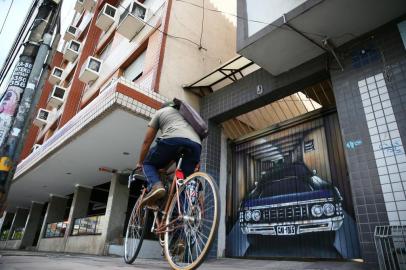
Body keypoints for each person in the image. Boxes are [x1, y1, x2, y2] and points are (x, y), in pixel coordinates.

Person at [134, 100, 202, 206]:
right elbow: (174, 154)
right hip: (196, 145)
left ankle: (156, 186)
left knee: (148, 163)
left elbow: (147, 141)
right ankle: (180, 217)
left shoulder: (161, 112)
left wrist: (140, 162)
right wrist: (165, 168)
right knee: (183, 183)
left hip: (173, 140)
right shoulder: (185, 117)